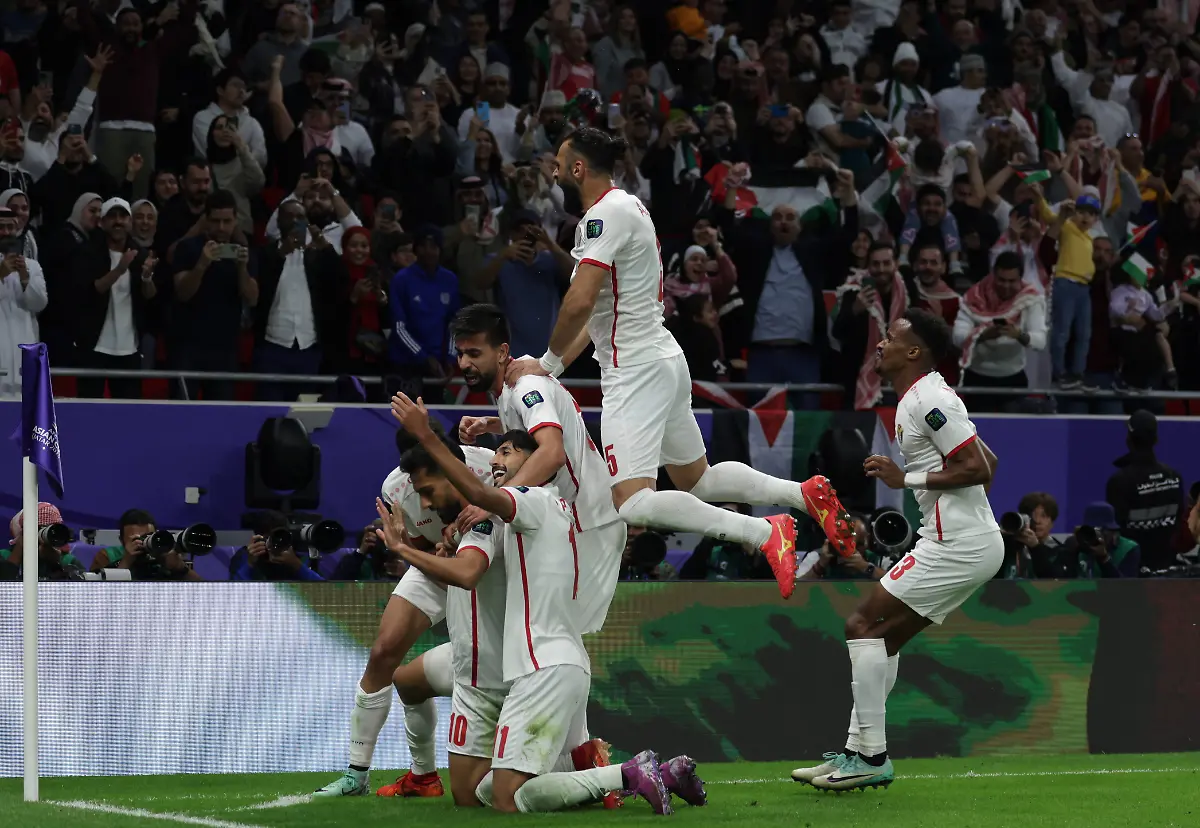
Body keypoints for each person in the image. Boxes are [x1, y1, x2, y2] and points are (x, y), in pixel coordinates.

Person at [506, 127, 857, 599]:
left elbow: (577, 301)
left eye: (559, 161)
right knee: (698, 479)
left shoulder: (602, 216)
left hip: (635, 370)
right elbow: (593, 314)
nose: (551, 169)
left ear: (577, 168)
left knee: (631, 503)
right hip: (660, 358)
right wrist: (552, 365)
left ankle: (765, 533)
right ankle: (803, 494)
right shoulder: (625, 208)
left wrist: (546, 362)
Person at [388, 395, 705, 815]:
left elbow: (471, 555)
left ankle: (629, 773)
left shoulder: (525, 503)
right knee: (484, 793)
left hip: (540, 664)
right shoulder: (547, 508)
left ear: (537, 463)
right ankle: (614, 770)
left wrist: (428, 441)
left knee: (507, 797)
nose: (497, 460)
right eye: (497, 451)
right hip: (543, 658)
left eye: (508, 451)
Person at [794, 308, 1001, 791]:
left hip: (958, 543)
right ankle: (855, 751)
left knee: (861, 625)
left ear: (914, 351)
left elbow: (978, 468)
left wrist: (902, 477)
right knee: (880, 640)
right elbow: (986, 456)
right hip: (963, 540)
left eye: (890, 337)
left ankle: (872, 756)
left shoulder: (928, 398)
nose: (880, 344)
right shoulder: (926, 396)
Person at [314, 423, 495, 798]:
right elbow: (417, 543)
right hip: (436, 564)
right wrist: (437, 553)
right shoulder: (396, 487)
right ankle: (359, 775)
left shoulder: (486, 466)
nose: (416, 487)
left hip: (490, 566)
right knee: (384, 652)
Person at [451, 304, 626, 636]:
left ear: (502, 352)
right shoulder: (507, 388)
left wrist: (491, 501)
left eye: (474, 353)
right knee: (545, 635)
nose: (464, 364)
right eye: (460, 354)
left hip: (590, 524)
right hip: (561, 525)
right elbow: (531, 431)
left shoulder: (527, 385)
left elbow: (551, 453)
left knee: (569, 638)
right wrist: (490, 425)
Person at [1105, 409, 1184, 572]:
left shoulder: (1119, 481)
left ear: (1128, 439)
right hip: (1167, 570)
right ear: (1156, 439)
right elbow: (1179, 524)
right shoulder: (1174, 477)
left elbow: (1115, 533)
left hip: (1132, 573)